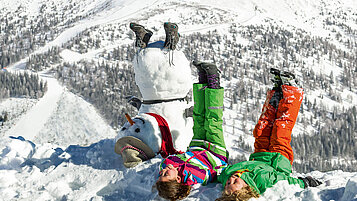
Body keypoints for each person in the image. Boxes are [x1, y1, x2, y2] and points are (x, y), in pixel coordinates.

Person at [216, 69, 322, 201]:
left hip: (260, 154)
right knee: (280, 127)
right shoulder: (263, 181)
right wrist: (305, 182)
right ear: (248, 188)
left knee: (262, 127)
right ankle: (292, 92)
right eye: (235, 182)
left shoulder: (228, 174)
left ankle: (276, 93)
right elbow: (286, 181)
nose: (231, 179)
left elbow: (219, 175)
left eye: (228, 183)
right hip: (278, 159)